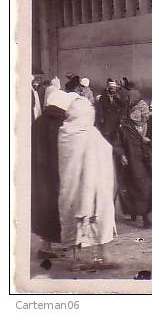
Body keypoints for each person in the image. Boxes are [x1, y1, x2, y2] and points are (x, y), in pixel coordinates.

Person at [57, 94, 117, 271]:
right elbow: (106, 150)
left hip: (71, 189)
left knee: (74, 218)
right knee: (98, 216)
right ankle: (101, 256)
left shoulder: (65, 133)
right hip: (92, 187)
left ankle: (79, 259)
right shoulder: (89, 134)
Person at [32, 90, 76, 260]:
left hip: (39, 175)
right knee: (56, 208)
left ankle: (46, 246)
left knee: (44, 209)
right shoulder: (58, 124)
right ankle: (47, 248)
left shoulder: (39, 121)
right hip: (54, 174)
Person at [116, 98, 152, 229]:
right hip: (133, 160)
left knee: (149, 187)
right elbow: (118, 142)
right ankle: (144, 216)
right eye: (138, 110)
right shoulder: (124, 126)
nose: (142, 115)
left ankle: (138, 211)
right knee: (139, 186)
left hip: (149, 159)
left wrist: (150, 142)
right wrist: (121, 154)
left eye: (144, 111)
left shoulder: (151, 122)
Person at [95, 80, 126, 147]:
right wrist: (101, 117)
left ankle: (113, 147)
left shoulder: (118, 96)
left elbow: (124, 105)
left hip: (116, 118)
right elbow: (100, 107)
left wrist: (119, 98)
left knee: (114, 134)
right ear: (109, 88)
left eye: (114, 88)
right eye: (111, 88)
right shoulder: (104, 96)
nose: (113, 90)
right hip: (107, 118)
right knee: (106, 134)